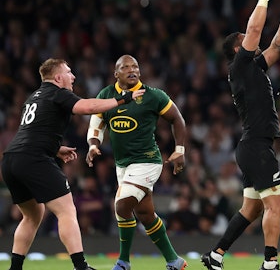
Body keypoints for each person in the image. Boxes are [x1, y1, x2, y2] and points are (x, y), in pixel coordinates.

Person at [1, 58, 144, 270]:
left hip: (12, 160)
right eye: (69, 72)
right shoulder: (58, 93)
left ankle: (15, 268)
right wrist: (122, 99)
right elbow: (87, 107)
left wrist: (56, 149)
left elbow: (33, 131)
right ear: (58, 77)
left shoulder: (34, 97)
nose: (73, 76)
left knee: (32, 216)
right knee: (66, 210)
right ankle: (81, 266)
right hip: (34, 159)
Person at [201, 0, 280, 270]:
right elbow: (254, 32)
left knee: (251, 209)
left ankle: (215, 255)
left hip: (251, 144)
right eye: (246, 40)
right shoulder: (239, 65)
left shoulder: (254, 67)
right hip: (255, 145)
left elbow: (277, 47)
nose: (252, 40)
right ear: (239, 49)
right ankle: (270, 263)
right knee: (276, 204)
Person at [86, 54, 188, 270]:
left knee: (121, 205)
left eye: (135, 67)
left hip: (148, 160)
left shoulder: (153, 96)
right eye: (126, 67)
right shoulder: (107, 94)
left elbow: (177, 118)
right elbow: (96, 122)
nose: (132, 70)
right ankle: (174, 261)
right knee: (145, 214)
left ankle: (123, 262)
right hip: (123, 165)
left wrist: (179, 150)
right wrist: (93, 144)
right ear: (116, 73)